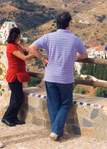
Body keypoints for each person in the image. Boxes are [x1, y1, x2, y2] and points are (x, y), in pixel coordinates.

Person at [29, 12, 88, 141]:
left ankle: (56, 131)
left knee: (53, 105)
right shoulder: (75, 39)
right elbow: (84, 56)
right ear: (69, 23)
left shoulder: (48, 37)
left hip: (50, 77)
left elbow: (32, 48)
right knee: (65, 104)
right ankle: (56, 131)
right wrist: (75, 56)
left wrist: (43, 58)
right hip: (65, 78)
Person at [1, 27, 35, 127]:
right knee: (17, 98)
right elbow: (24, 57)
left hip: (17, 75)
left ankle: (13, 117)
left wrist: (31, 49)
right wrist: (33, 55)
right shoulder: (11, 47)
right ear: (18, 35)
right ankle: (7, 117)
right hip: (14, 75)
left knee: (16, 97)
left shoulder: (16, 45)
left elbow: (26, 50)